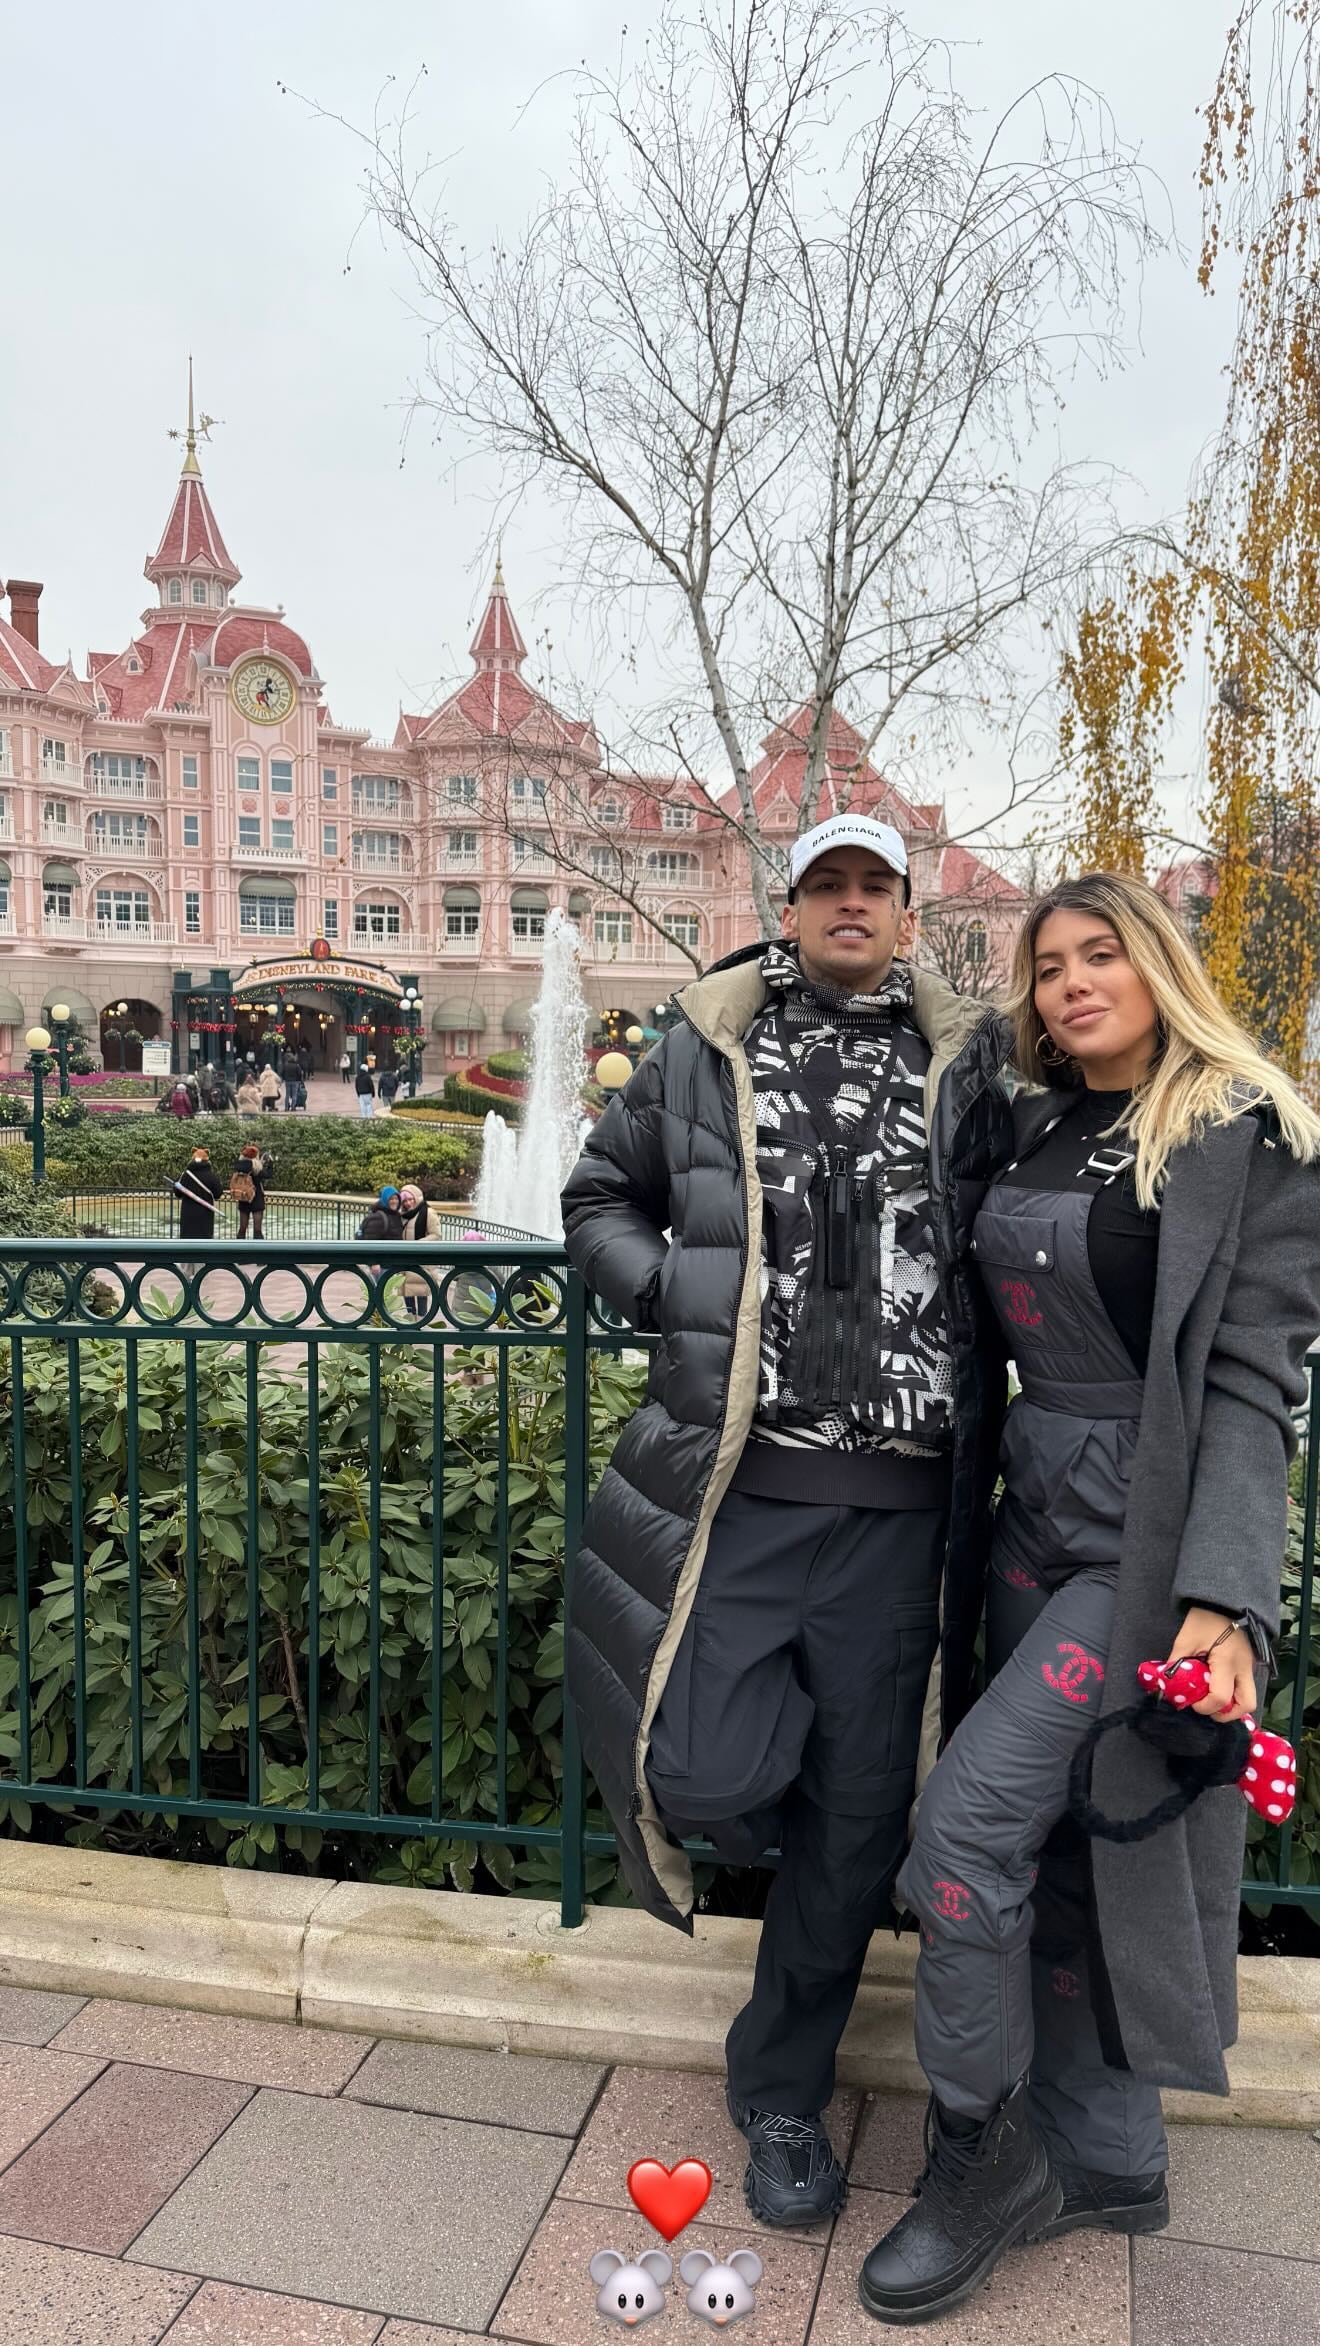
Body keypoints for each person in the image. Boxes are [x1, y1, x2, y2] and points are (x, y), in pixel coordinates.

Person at [857, 872, 1320, 2326]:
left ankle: (981, 2155)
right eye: (1049, 963)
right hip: (1026, 1523)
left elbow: (1254, 1384)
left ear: (1157, 965)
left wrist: (1227, 1600)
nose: (1071, 982)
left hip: (1140, 1555)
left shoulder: (1246, 1138)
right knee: (1056, 1844)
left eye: (1100, 953)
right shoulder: (1037, 1121)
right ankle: (1109, 2153)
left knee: (960, 1837)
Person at [558, 812, 993, 2229]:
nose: (850, 904)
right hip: (746, 1489)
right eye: (826, 886)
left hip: (905, 1508)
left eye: (876, 885)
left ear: (909, 914)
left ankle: (783, 2094)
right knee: (694, 1764)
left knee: (859, 1822)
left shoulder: (973, 1063)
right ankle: (800, 1800)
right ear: (790, 910)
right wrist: (664, 1289)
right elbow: (596, 1194)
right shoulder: (704, 1046)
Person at [171, 1144, 223, 1276]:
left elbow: (177, 1192)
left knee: (187, 1242)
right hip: (205, 1215)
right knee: (203, 1242)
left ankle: (186, 1272)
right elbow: (218, 1193)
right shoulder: (211, 1176)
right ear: (207, 1160)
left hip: (188, 1214)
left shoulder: (185, 1175)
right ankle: (201, 1272)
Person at [358, 1185, 403, 1291]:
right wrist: (373, 1262)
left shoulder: (395, 1215)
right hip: (381, 1266)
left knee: (387, 1294)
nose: (394, 1201)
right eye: (391, 1199)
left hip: (390, 1263)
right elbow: (370, 1241)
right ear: (385, 1200)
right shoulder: (378, 1217)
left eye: (396, 1199)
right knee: (381, 1293)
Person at [398, 1183, 432, 1318]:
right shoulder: (402, 1215)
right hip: (405, 1261)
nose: (408, 1203)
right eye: (404, 1201)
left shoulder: (428, 1213)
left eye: (410, 1199)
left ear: (416, 1198)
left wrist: (419, 1244)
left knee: (421, 1294)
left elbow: (436, 1235)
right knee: (408, 1297)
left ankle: (422, 1322)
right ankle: (410, 1322)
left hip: (421, 1260)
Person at [230, 1141, 274, 1239]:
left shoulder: (238, 1166)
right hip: (256, 1198)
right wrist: (270, 1163)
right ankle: (257, 1247)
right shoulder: (256, 1168)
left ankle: (239, 1247)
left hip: (244, 1197)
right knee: (257, 1230)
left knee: (242, 1229)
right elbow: (268, 1175)